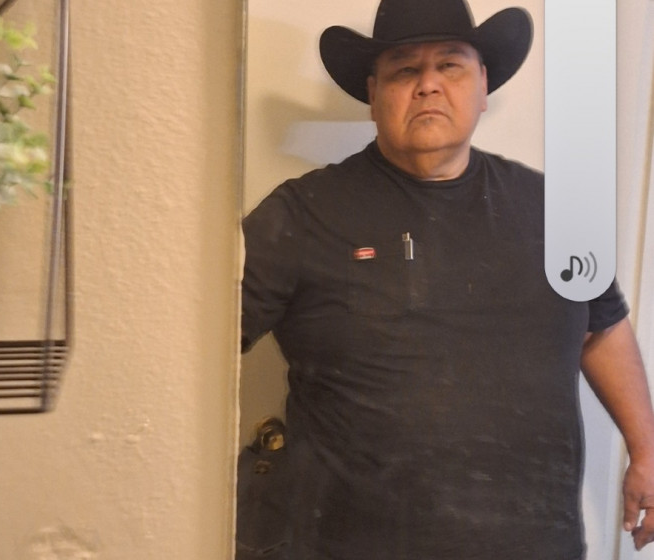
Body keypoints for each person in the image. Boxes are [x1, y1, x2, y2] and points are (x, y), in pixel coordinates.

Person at [240, 0, 654, 557]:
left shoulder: (557, 210)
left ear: (483, 86)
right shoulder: (300, 214)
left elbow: (601, 328)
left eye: (451, 65)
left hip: (538, 545)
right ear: (373, 95)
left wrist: (647, 449)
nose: (428, 85)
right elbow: (194, 354)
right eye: (405, 69)